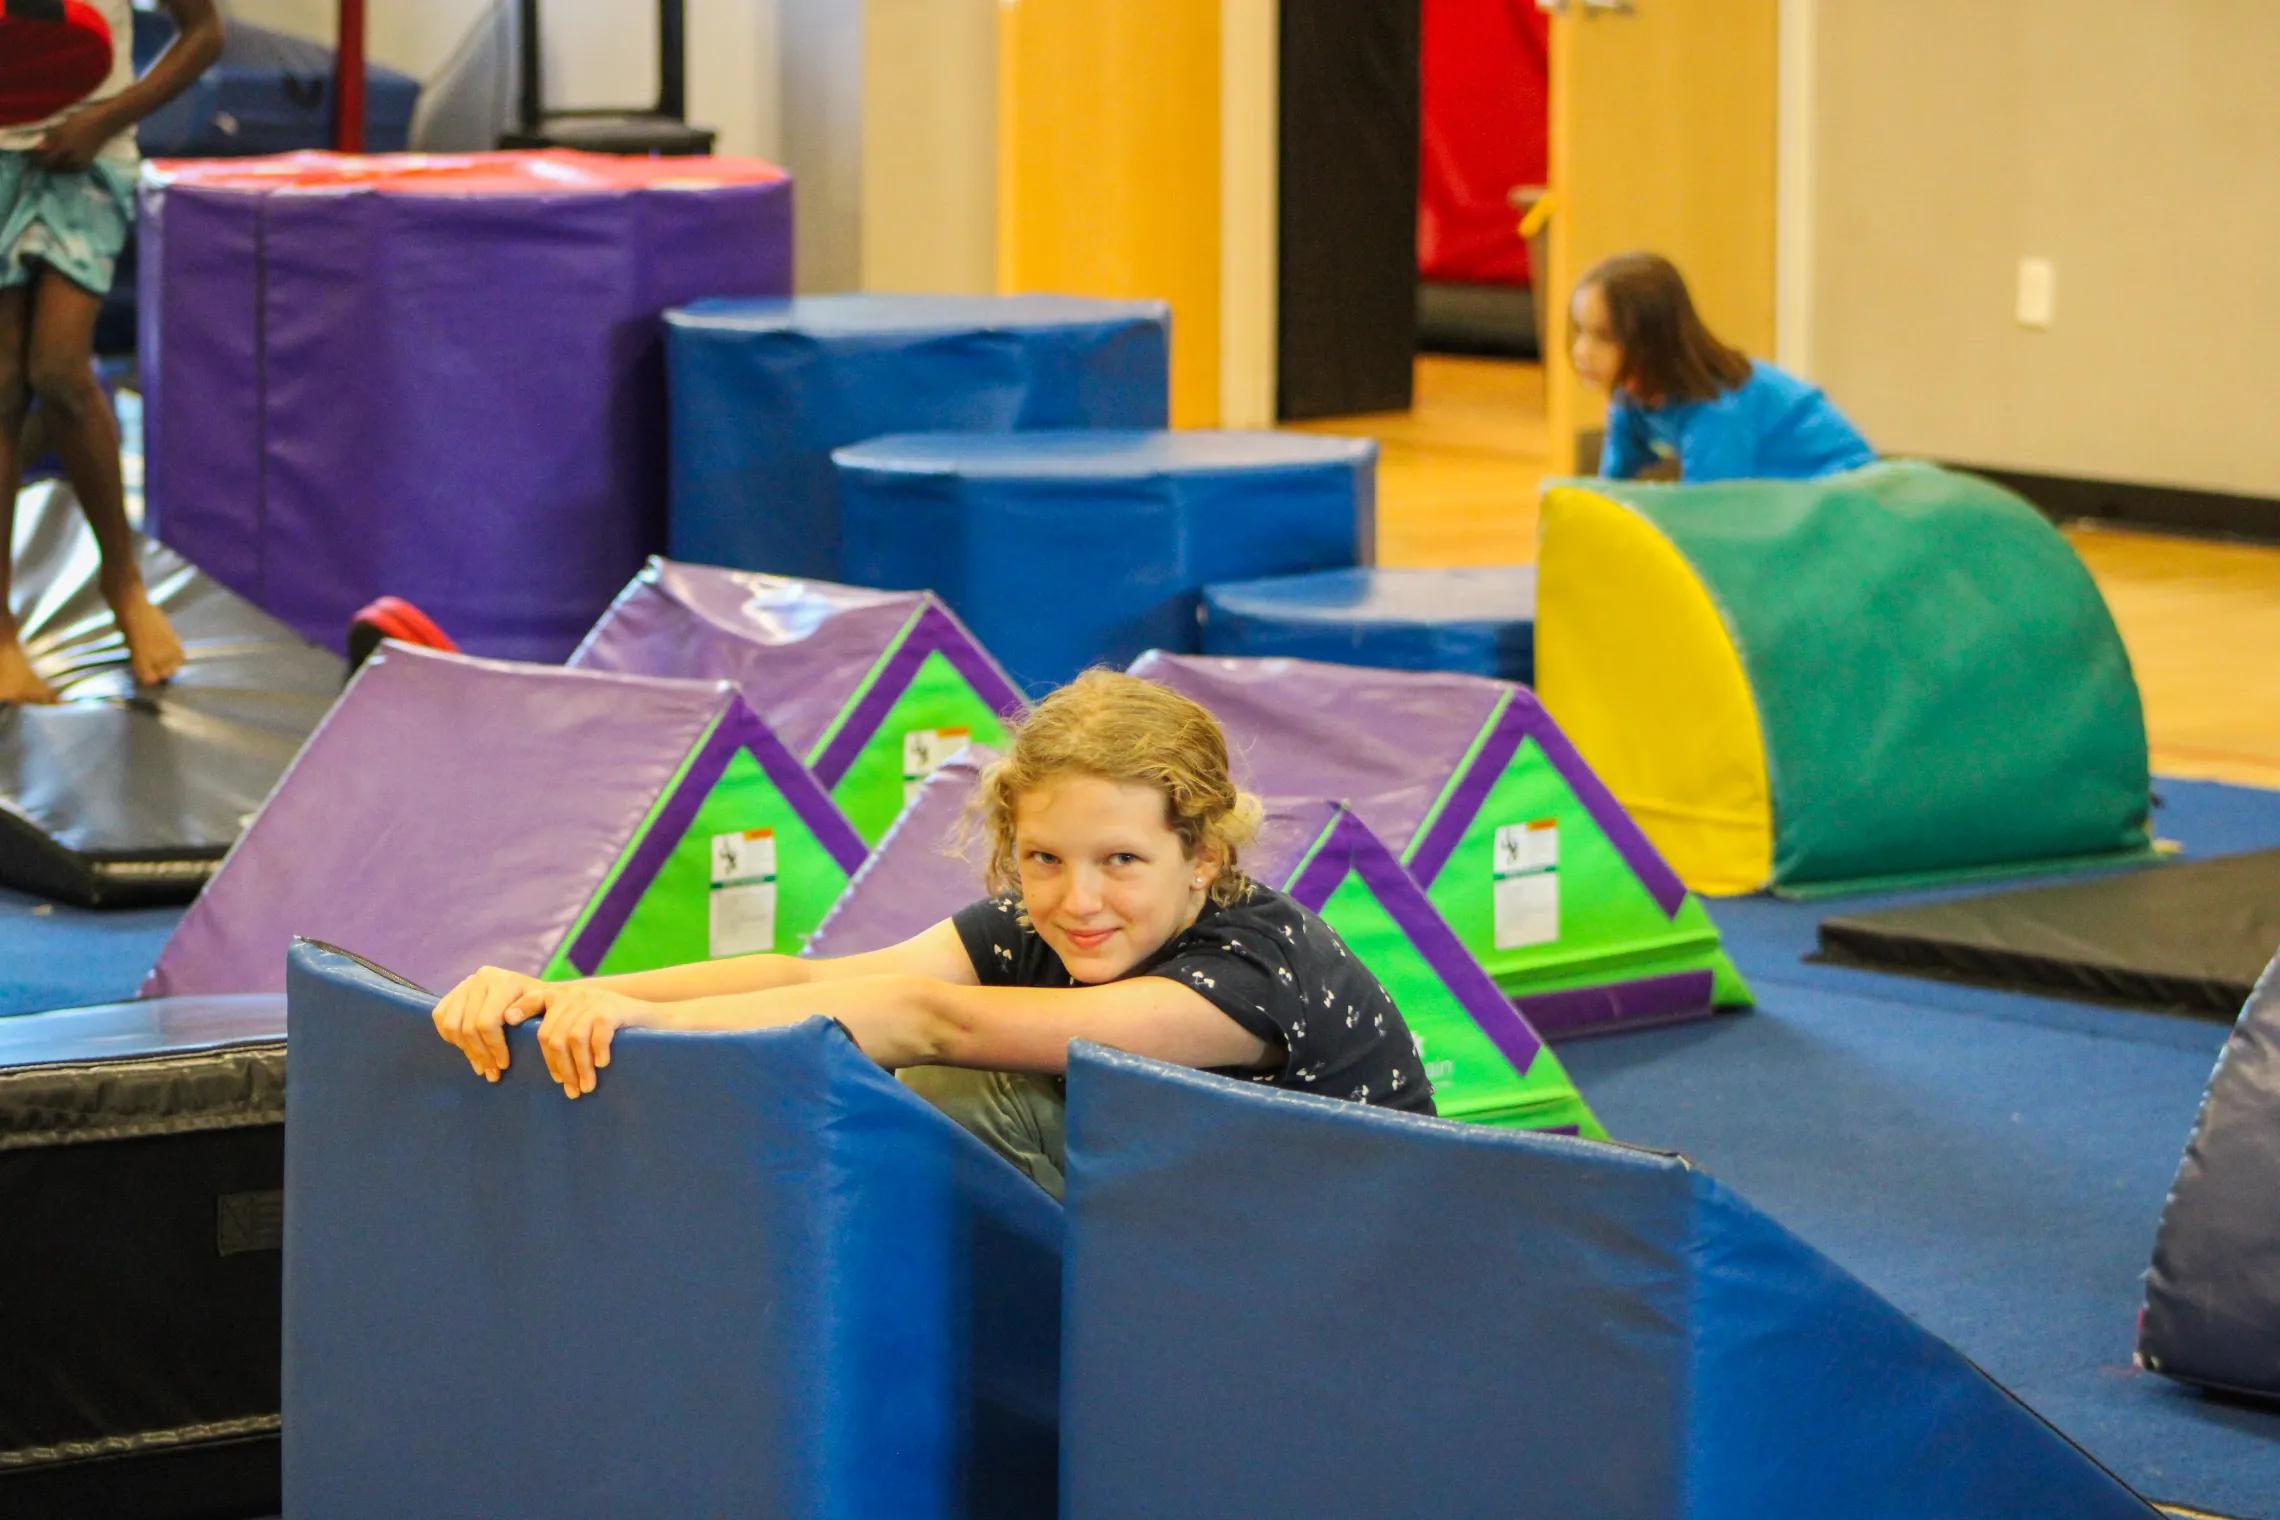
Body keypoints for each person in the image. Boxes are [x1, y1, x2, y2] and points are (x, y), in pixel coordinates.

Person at [432, 670, 1436, 1198]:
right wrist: (567, 992)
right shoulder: (1062, 924)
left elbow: (931, 1020)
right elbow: (815, 972)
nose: (1078, 898)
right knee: (868, 1039)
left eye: (1121, 861)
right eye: (1044, 857)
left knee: (943, 1088)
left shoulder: (1246, 976)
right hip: (1212, 1201)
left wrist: (629, 1029)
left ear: (1203, 859)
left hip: (1347, 1253)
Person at [1, 0, 224, 703]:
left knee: (59, 371)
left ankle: (124, 585)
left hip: (92, 152)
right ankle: (1, 628)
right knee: (3, 385)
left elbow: (204, 34)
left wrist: (105, 118)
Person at [1571, 250, 1876, 484]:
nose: (1581, 351)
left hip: (1842, 485)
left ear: (1652, 341)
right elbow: (1609, 486)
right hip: (1783, 490)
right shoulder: (1632, 399)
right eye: (1580, 331)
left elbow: (1711, 514)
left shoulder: (1715, 411)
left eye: (1604, 336)